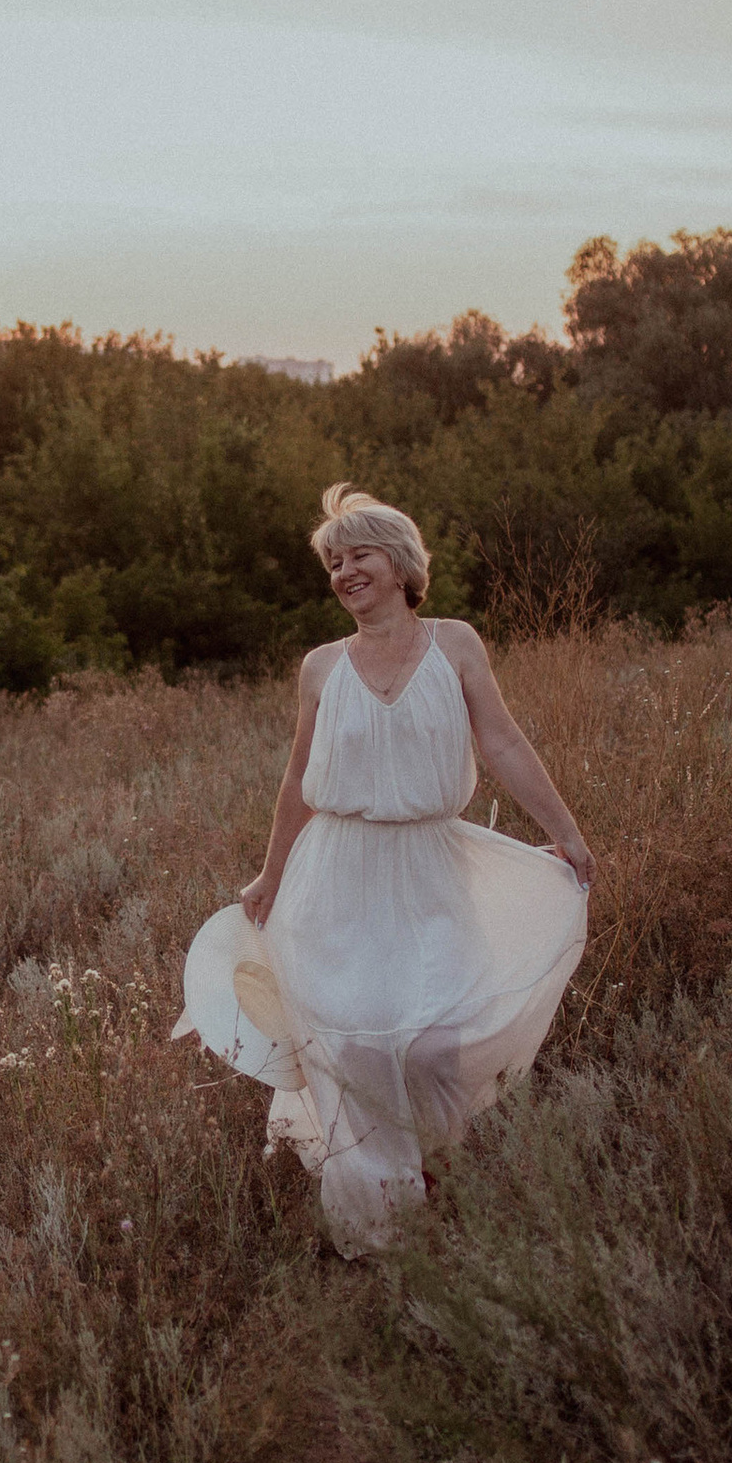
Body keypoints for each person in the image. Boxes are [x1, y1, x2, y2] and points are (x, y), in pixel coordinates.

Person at [175, 484, 594, 1255]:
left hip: (433, 867)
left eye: (358, 554)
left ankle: (436, 1163)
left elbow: (502, 743)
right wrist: (271, 874)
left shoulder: (456, 643)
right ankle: (385, 1221)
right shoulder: (320, 667)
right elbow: (298, 779)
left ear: (401, 564)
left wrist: (566, 833)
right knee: (357, 1046)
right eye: (333, 562)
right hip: (337, 874)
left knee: (436, 1041)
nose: (344, 572)